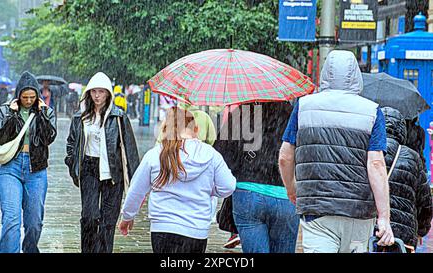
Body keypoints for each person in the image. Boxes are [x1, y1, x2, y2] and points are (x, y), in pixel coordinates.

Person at [279, 50, 395, 253]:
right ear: (356, 76)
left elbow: (285, 156)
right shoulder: (372, 111)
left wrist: (291, 188)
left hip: (317, 211)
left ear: (324, 74)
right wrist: (384, 217)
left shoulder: (304, 106)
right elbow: (376, 164)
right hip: (359, 214)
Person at [119, 107, 236, 253]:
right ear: (196, 129)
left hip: (163, 227)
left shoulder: (156, 154)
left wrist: (127, 216)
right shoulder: (211, 154)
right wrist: (208, 189)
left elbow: (136, 190)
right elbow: (229, 186)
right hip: (196, 230)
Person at [65, 72, 140, 253]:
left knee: (108, 222)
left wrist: (136, 180)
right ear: (88, 93)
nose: (97, 96)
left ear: (108, 93)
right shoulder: (80, 117)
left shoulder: (119, 117)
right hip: (89, 169)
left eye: (101, 91)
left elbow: (130, 149)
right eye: (94, 91)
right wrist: (73, 164)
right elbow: (71, 144)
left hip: (113, 173)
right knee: (89, 217)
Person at [214, 102, 299, 253]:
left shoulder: (241, 112)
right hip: (286, 194)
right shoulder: (294, 114)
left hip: (247, 194)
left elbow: (221, 155)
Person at [0, 71, 57, 253]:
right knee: (11, 220)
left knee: (34, 222)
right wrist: (12, 115)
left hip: (36, 170)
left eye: (32, 97)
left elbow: (49, 137)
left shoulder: (46, 111)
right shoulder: (6, 110)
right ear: (18, 95)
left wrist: (42, 113)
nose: (28, 101)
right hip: (10, 168)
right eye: (25, 97)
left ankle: (30, 249)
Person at [381, 107, 432, 253]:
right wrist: (421, 230)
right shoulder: (412, 157)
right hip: (404, 234)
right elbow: (425, 201)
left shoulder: (369, 153)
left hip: (373, 229)